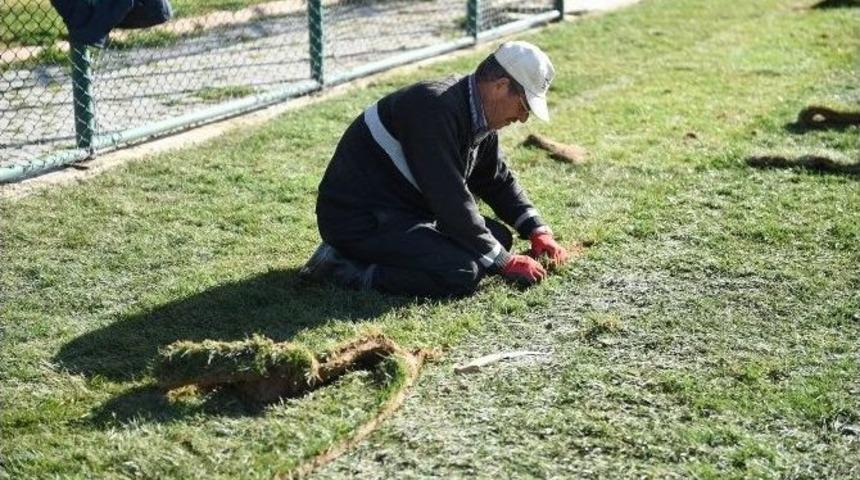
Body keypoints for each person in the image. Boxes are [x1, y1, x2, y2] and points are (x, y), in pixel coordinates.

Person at [300, 41, 569, 298]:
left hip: (403, 212)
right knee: (461, 270)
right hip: (359, 220)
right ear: (500, 86)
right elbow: (449, 197)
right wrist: (504, 262)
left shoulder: (475, 111)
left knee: (498, 238)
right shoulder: (434, 107)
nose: (522, 118)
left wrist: (537, 230)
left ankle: (361, 259)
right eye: (523, 106)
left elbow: (495, 179)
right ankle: (341, 267)